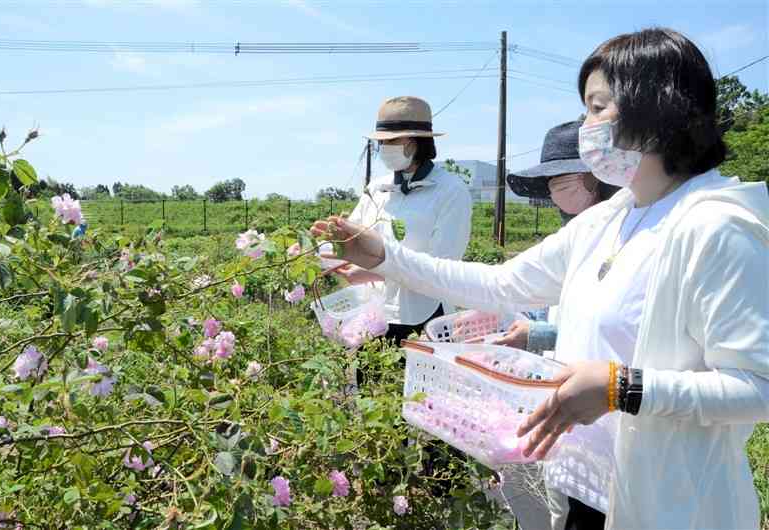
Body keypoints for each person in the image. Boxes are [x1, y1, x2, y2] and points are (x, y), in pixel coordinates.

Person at [313, 27, 769, 530]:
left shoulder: (716, 227)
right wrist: (383, 256)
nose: (586, 126)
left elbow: (759, 385)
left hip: (668, 505)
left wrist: (625, 389)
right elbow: (501, 283)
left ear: (655, 109)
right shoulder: (610, 218)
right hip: (582, 487)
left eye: (598, 108)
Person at [338, 96, 473, 345]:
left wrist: (375, 272)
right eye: (382, 143)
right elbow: (353, 237)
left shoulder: (450, 191)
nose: (384, 148)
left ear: (415, 143)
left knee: (415, 381)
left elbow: (443, 265)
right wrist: (325, 248)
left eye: (392, 141)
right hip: (374, 313)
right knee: (370, 381)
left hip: (423, 313)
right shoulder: (377, 188)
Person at [501, 121, 619, 355]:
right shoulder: (570, 236)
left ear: (596, 177)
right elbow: (543, 298)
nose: (557, 189)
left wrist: (542, 335)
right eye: (552, 182)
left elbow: (618, 329)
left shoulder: (626, 239)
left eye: (564, 178)